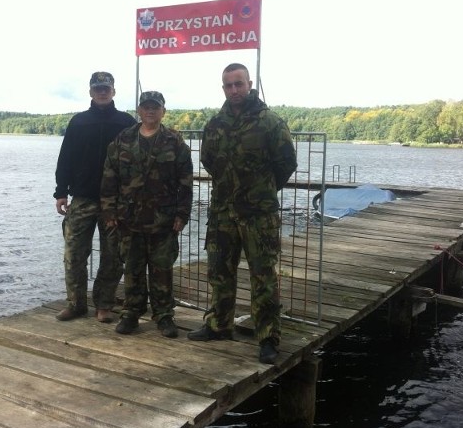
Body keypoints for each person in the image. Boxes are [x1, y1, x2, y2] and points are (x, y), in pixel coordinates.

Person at [187, 63, 297, 364]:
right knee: (219, 271)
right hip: (223, 210)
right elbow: (209, 160)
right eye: (228, 85)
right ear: (223, 88)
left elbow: (286, 163)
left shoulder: (270, 122)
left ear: (249, 84)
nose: (234, 90)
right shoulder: (215, 125)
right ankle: (218, 325)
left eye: (239, 84)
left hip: (258, 214)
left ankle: (268, 338)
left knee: (264, 276)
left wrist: (261, 190)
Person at [101, 90, 193, 338]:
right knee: (132, 269)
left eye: (155, 107)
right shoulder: (122, 139)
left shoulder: (174, 141)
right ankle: (131, 313)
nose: (150, 111)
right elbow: (110, 177)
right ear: (139, 111)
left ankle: (164, 316)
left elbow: (185, 181)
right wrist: (109, 210)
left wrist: (182, 214)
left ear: (163, 111)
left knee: (162, 269)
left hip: (163, 220)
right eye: (146, 107)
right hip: (128, 219)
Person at [53, 71, 137, 323]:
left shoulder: (126, 122)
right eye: (97, 88)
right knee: (74, 254)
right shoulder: (78, 122)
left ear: (113, 91)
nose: (102, 92)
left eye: (106, 88)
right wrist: (60, 192)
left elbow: (135, 161)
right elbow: (65, 157)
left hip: (115, 200)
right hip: (83, 198)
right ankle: (76, 303)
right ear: (90, 92)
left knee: (112, 256)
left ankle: (104, 304)